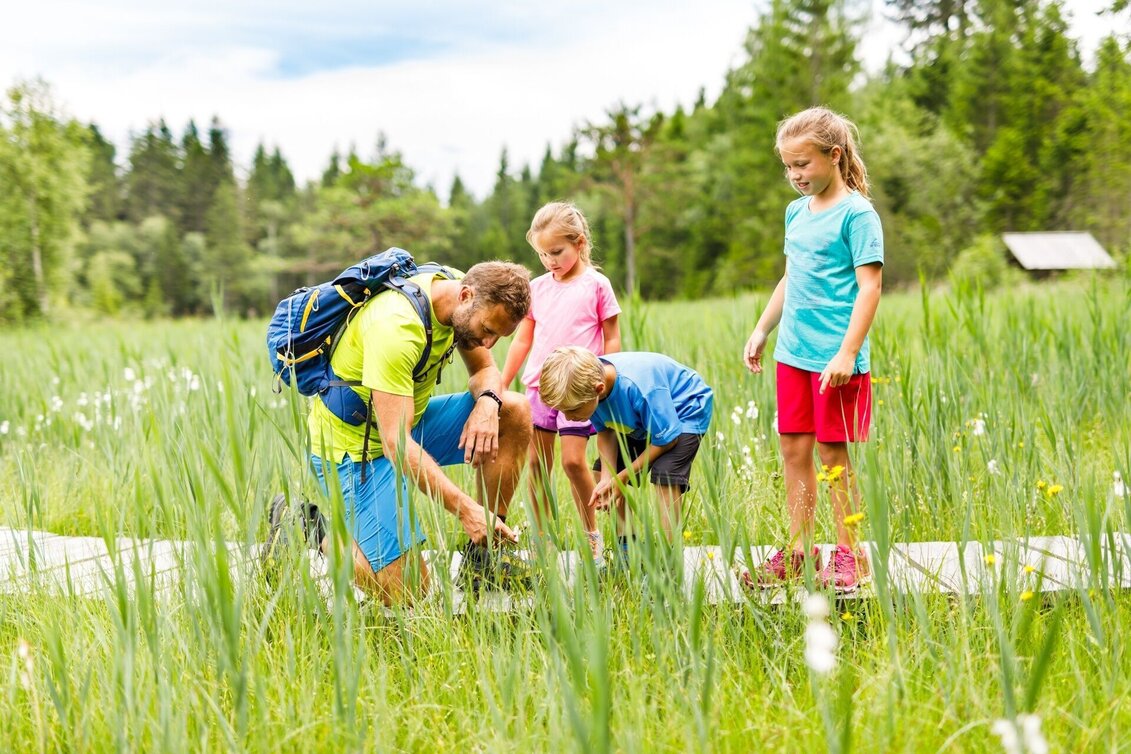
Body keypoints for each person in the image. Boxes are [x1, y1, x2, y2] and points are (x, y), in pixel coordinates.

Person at [292, 260, 535, 606]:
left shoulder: (456, 296)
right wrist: (466, 509)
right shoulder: (397, 328)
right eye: (488, 330)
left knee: (513, 410)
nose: (490, 342)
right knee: (408, 592)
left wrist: (489, 402)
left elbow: (484, 369)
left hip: (405, 423)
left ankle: (482, 560)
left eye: (499, 335)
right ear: (466, 295)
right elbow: (397, 444)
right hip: (356, 449)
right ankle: (309, 529)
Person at [740, 106, 884, 593]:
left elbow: (870, 288)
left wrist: (847, 353)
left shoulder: (858, 214)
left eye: (802, 164)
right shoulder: (795, 213)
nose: (794, 176)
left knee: (832, 455)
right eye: (788, 166)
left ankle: (851, 555)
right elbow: (791, 275)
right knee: (794, 448)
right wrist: (763, 328)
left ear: (835, 155)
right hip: (793, 354)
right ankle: (799, 553)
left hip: (835, 360)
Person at [501, 202, 621, 566]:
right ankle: (542, 543)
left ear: (580, 243)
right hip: (539, 388)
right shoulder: (536, 288)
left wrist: (607, 373)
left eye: (557, 252)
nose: (550, 260)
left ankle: (592, 536)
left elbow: (612, 337)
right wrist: (502, 384)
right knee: (537, 465)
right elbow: (523, 339)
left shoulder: (597, 285)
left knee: (572, 463)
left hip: (579, 389)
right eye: (542, 254)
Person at [537, 346, 713, 549]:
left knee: (666, 473)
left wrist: (621, 478)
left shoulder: (640, 387)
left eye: (572, 410)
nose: (568, 418)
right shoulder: (588, 386)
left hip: (684, 410)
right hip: (645, 419)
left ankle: (669, 556)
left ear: (599, 389)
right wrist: (607, 478)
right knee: (601, 473)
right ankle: (628, 546)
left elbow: (667, 440)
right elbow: (606, 431)